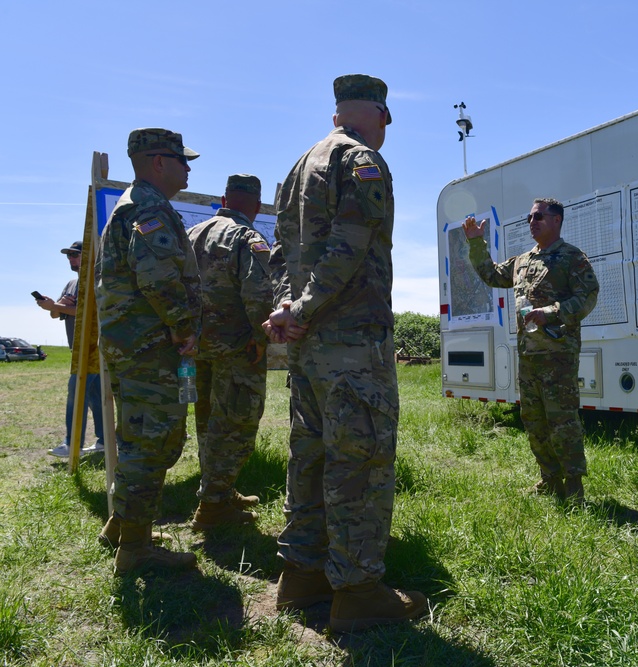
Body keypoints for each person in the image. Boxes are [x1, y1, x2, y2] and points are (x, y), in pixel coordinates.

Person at [266, 74, 428, 631]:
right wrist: (305, 307)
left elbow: (278, 254)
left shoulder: (299, 167)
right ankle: (358, 593)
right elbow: (350, 246)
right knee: (360, 462)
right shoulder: (363, 162)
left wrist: (288, 308)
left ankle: (302, 576)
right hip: (352, 344)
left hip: (309, 350)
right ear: (380, 113)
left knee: (310, 458)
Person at [95, 127, 201, 575]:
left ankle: (122, 527)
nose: (188, 167)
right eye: (181, 159)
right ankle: (136, 549)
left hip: (135, 343)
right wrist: (182, 328)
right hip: (150, 346)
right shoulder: (148, 206)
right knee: (154, 440)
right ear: (158, 162)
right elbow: (156, 277)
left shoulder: (138, 204)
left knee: (140, 436)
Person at [463, 198, 599, 504]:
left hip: (558, 353)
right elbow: (492, 274)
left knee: (562, 420)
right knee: (534, 419)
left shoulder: (571, 258)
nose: (532, 221)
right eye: (529, 217)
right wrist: (476, 243)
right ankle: (550, 478)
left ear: (556, 221)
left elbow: (588, 296)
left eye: (538, 216)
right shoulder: (522, 261)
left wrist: (551, 311)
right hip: (529, 354)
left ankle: (574, 486)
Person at [186, 174, 271, 530]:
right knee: (236, 422)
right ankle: (213, 507)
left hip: (197, 346)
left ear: (223, 198)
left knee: (207, 420)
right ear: (256, 205)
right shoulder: (247, 236)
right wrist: (260, 334)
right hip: (237, 347)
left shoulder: (192, 233)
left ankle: (218, 490)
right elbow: (258, 293)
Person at [37, 240, 104, 457]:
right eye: (68, 256)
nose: (70, 259)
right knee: (94, 397)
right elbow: (56, 314)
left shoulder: (96, 279)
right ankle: (104, 441)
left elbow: (89, 312)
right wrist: (53, 306)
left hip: (92, 348)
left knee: (76, 393)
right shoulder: (71, 284)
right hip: (77, 348)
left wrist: (57, 306)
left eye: (75, 254)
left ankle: (71, 444)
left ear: (88, 256)